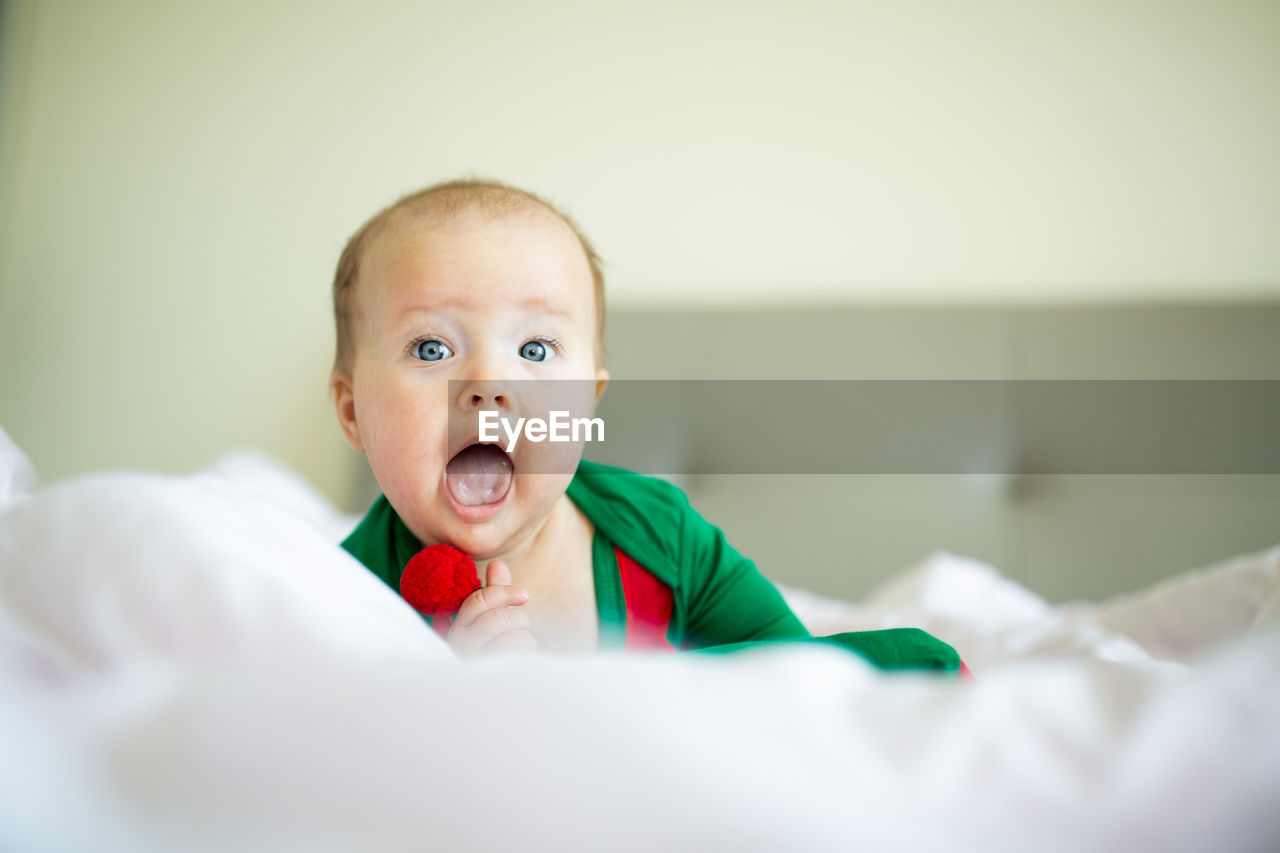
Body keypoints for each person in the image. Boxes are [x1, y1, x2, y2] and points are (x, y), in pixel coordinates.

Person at [330, 177, 964, 676]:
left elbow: (788, 673)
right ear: (354, 411)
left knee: (906, 657)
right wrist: (461, 693)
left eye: (535, 349)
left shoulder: (659, 532)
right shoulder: (339, 594)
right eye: (432, 349)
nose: (487, 386)